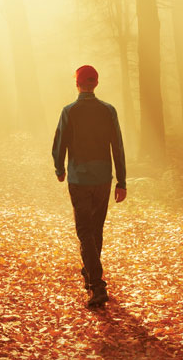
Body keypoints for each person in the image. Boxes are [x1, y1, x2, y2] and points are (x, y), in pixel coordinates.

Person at [50, 64, 127, 307]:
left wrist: (60, 168)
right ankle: (90, 273)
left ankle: (97, 284)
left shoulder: (69, 111)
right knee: (95, 229)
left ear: (77, 84)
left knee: (84, 231)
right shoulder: (108, 111)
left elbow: (60, 142)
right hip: (103, 177)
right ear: (96, 83)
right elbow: (118, 146)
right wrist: (121, 181)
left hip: (80, 178)